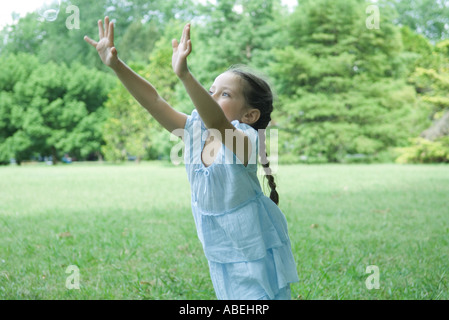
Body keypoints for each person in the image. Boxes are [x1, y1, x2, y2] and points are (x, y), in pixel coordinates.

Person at [85, 17, 299, 300]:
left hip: (252, 255)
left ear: (250, 115)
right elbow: (154, 101)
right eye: (211, 91)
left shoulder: (244, 139)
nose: (211, 97)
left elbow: (219, 123)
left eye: (224, 94)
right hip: (220, 252)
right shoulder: (196, 132)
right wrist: (116, 65)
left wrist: (185, 75)